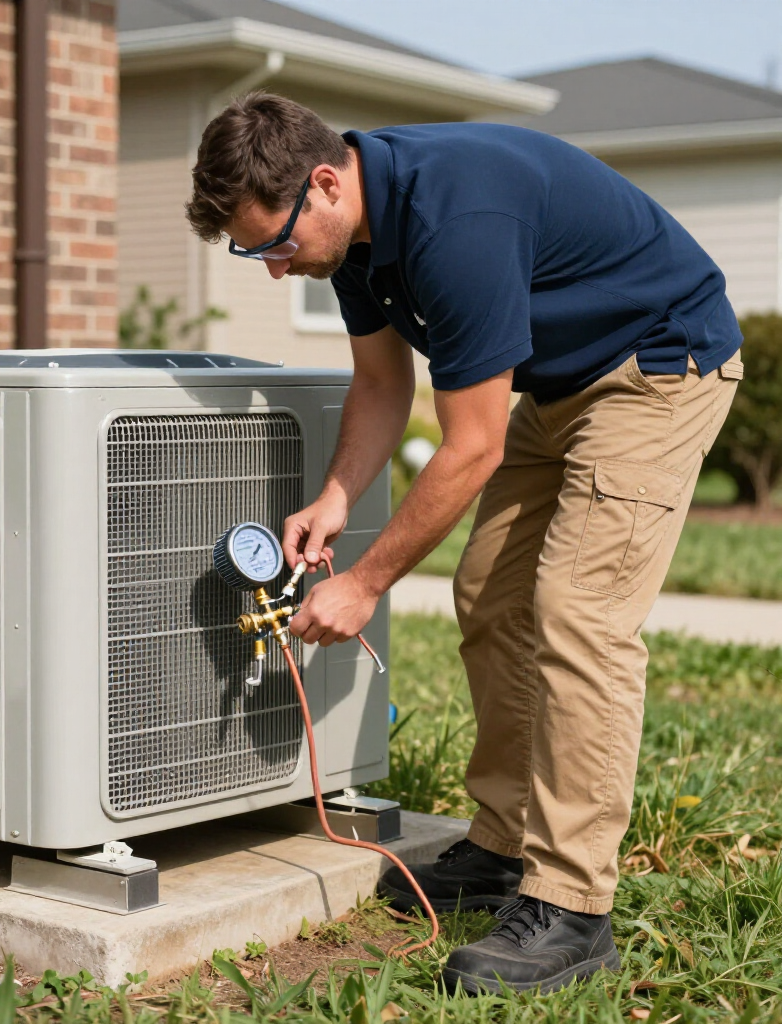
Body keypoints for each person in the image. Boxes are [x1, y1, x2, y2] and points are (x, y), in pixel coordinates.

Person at [185, 92, 742, 995]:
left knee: (579, 615)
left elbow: (473, 444)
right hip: (564, 386)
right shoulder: (354, 236)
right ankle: (502, 844)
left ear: (324, 183)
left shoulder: (455, 221)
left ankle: (572, 906)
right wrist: (334, 498)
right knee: (488, 594)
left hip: (659, 367)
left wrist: (364, 581)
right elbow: (379, 383)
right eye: (254, 253)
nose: (273, 269)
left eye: (272, 243)